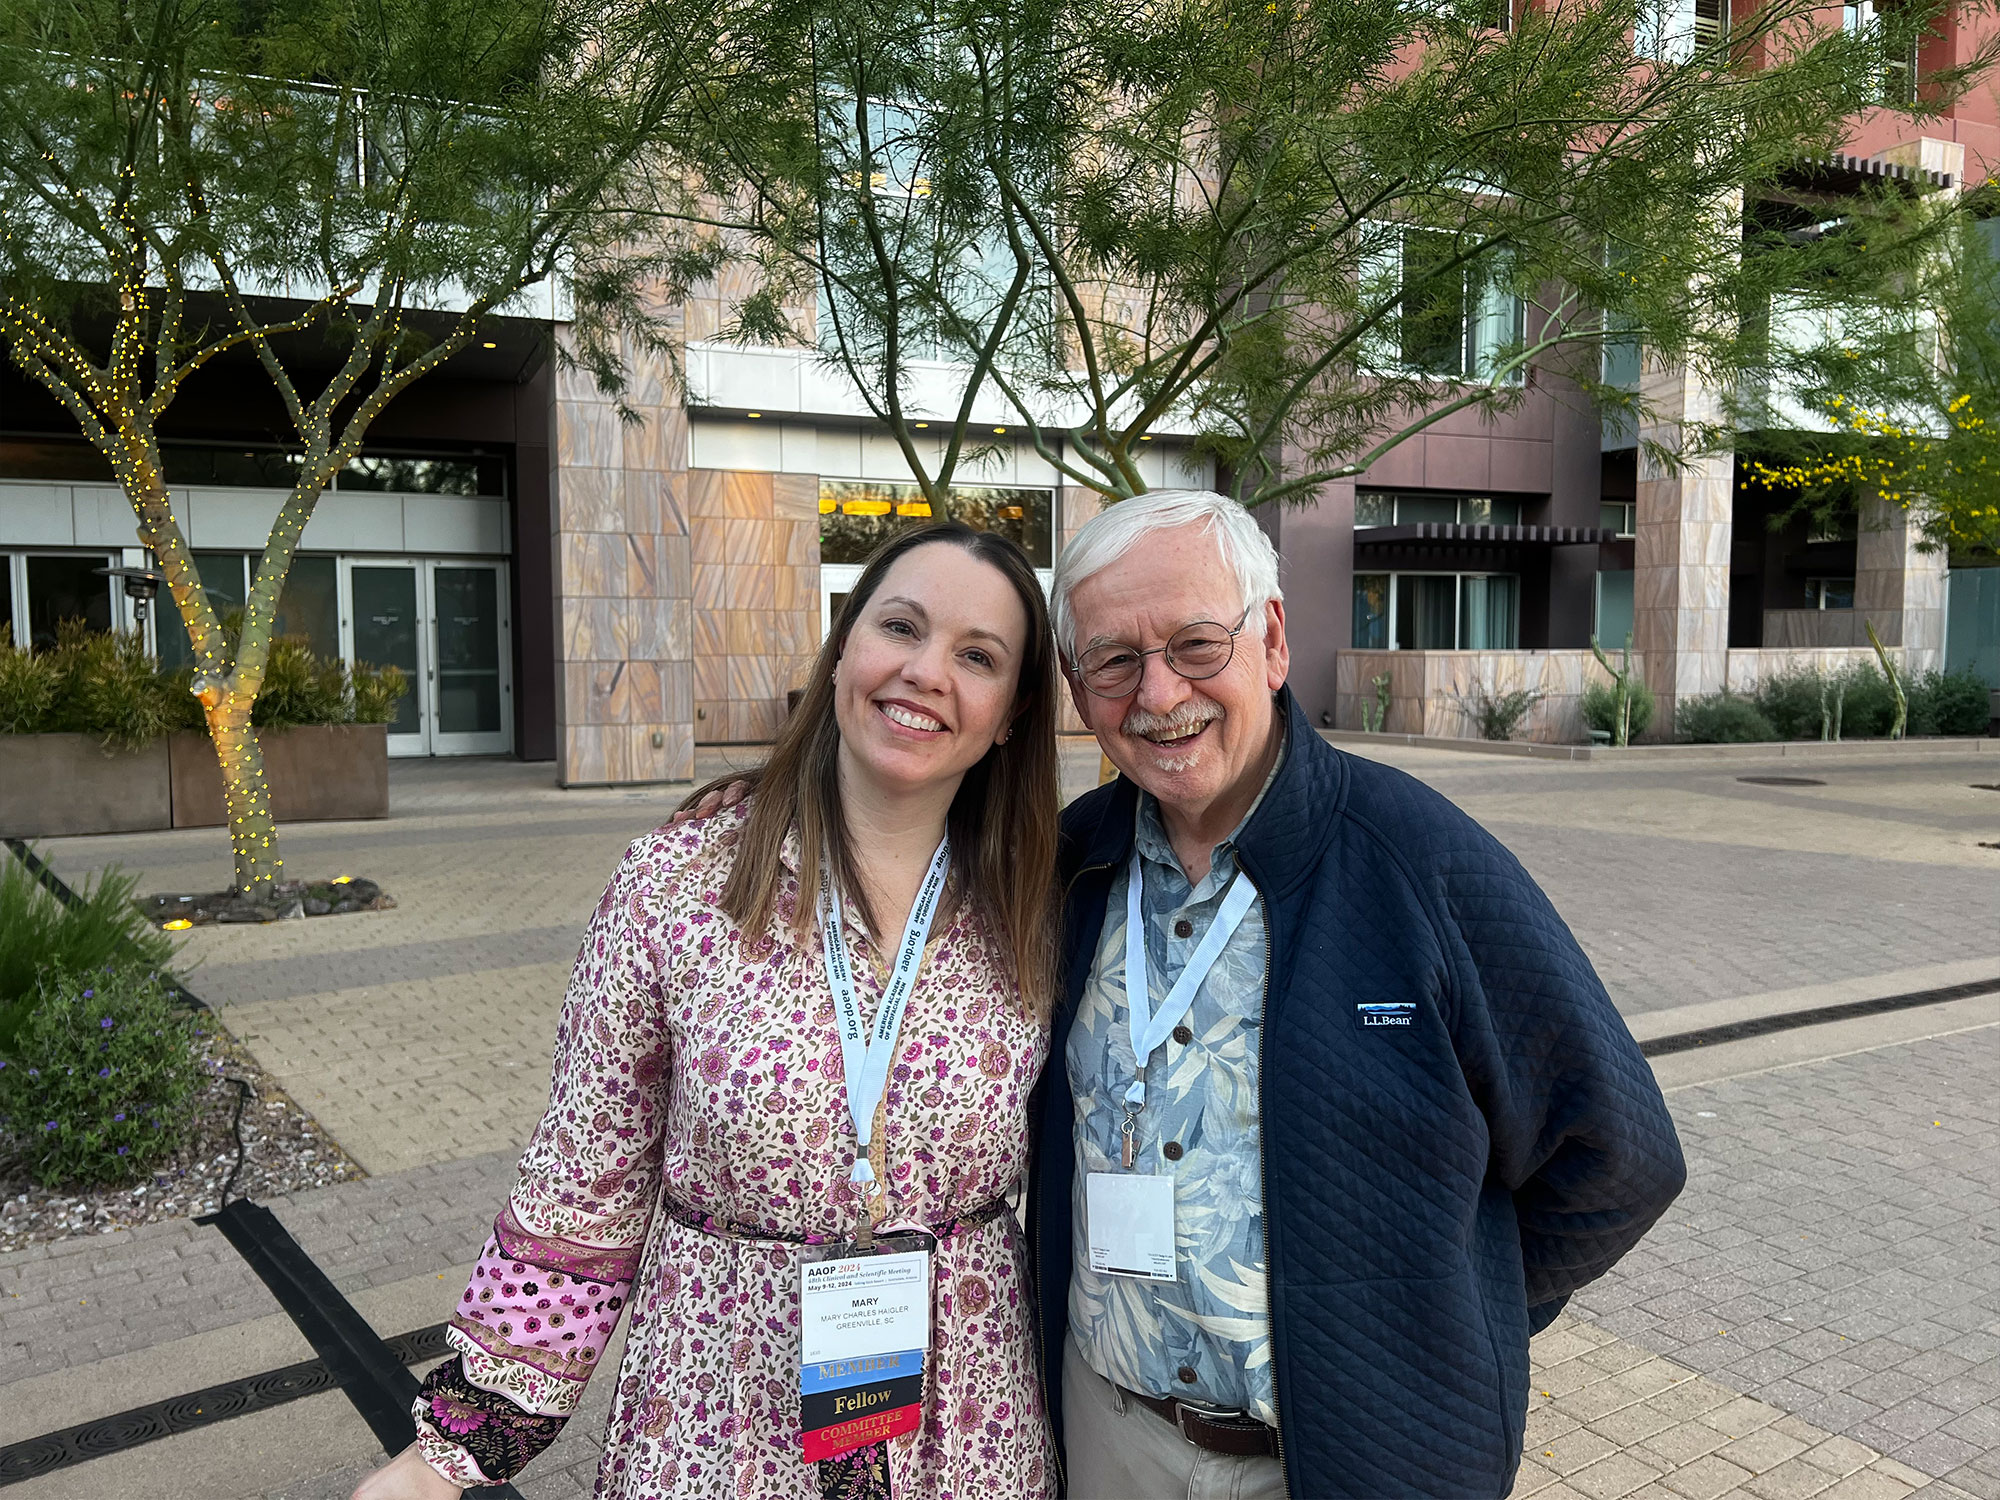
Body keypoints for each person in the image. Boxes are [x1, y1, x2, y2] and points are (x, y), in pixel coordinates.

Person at [352, 522, 1063, 1500]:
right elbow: (582, 1187)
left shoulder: (1037, 903)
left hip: (970, 1434)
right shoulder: (677, 883)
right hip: (715, 1424)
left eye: (976, 655)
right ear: (845, 645)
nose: (926, 671)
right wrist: (448, 1455)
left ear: (1012, 711)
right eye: (900, 627)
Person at [1033, 488, 1686, 1500]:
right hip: (1110, 1432)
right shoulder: (1069, 866)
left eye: (1197, 645)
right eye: (1114, 660)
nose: (1157, 696)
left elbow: (1618, 1157)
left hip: (1349, 1461)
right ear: (1078, 690)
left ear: (1273, 641)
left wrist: (1445, 1318)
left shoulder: (1416, 860)